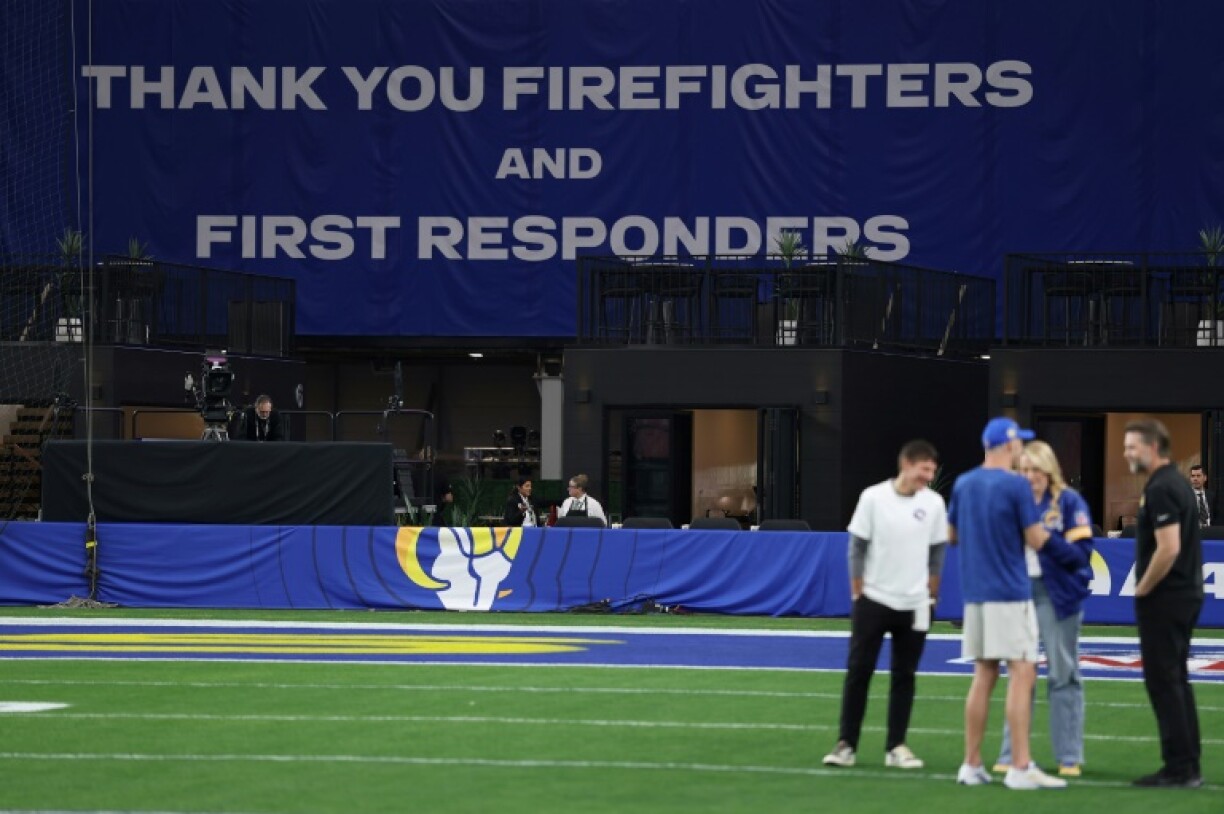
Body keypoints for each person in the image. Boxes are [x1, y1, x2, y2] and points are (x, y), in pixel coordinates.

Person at [947, 417, 1065, 790]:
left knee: (984, 675)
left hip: (976, 593)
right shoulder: (1015, 485)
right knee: (1023, 671)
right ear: (1009, 445)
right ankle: (1019, 765)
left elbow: (951, 536)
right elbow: (1034, 538)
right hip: (1010, 592)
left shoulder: (965, 483)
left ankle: (972, 764)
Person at [822, 440, 948, 771]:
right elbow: (857, 546)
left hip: (916, 603)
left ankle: (896, 746)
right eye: (925, 469)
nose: (929, 476)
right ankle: (846, 744)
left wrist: (932, 594)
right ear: (906, 464)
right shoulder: (873, 497)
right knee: (858, 671)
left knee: (904, 675)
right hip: (874, 600)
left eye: (932, 471)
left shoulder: (934, 503)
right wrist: (858, 591)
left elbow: (937, 552)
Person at [993, 440, 1094, 778]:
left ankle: (1069, 755)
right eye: (1024, 470)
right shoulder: (1010, 502)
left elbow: (1081, 556)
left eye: (1036, 470)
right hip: (1018, 594)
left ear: (1050, 470)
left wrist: (1046, 541)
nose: (1031, 476)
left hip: (1057, 595)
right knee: (1020, 675)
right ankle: (1011, 753)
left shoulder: (1069, 502)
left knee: (1062, 673)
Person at [1123, 418, 1204, 788]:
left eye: (1132, 447)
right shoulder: (1177, 482)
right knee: (1176, 680)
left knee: (1165, 681)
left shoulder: (1162, 487)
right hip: (1182, 594)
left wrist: (1143, 588)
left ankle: (1180, 767)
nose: (1127, 454)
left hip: (1167, 597)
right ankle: (1187, 762)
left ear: (1153, 447)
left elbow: (1168, 547)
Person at [1189, 464, 1213, 529]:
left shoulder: (1211, 496)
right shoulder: (1185, 496)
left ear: (1205, 478)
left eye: (1198, 476)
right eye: (1193, 476)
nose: (1195, 479)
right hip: (1193, 533)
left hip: (1211, 533)